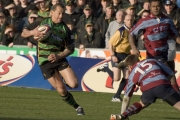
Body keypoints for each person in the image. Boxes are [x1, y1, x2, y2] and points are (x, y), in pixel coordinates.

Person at [21, 3, 85, 115]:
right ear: (52, 12)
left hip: (58, 58)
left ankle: (65, 79)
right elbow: (23, 33)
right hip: (44, 62)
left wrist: (59, 56)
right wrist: (33, 32)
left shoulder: (65, 29)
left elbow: (70, 49)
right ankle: (77, 107)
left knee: (74, 84)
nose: (61, 16)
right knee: (61, 90)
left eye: (62, 14)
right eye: (58, 13)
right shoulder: (41, 22)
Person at [128, 0, 180, 93]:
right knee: (171, 76)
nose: (156, 8)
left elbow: (175, 35)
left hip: (166, 53)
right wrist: (134, 48)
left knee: (165, 75)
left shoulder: (168, 20)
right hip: (154, 55)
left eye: (158, 6)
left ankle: (154, 95)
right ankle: (177, 96)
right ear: (150, 8)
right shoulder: (144, 21)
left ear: (162, 6)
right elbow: (131, 33)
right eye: (153, 6)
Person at [110, 54, 180, 120]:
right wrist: (174, 89)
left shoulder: (131, 75)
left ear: (129, 66)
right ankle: (123, 115)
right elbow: (170, 73)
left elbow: (127, 95)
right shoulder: (152, 60)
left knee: (141, 104)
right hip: (161, 85)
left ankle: (123, 115)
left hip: (147, 89)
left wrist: (123, 111)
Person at [97, 14, 134, 102]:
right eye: (128, 20)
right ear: (124, 21)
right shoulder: (121, 31)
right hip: (117, 55)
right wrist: (113, 55)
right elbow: (110, 43)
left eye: (131, 20)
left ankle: (116, 96)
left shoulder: (132, 30)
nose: (130, 21)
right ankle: (105, 68)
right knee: (116, 78)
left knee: (127, 76)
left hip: (126, 56)